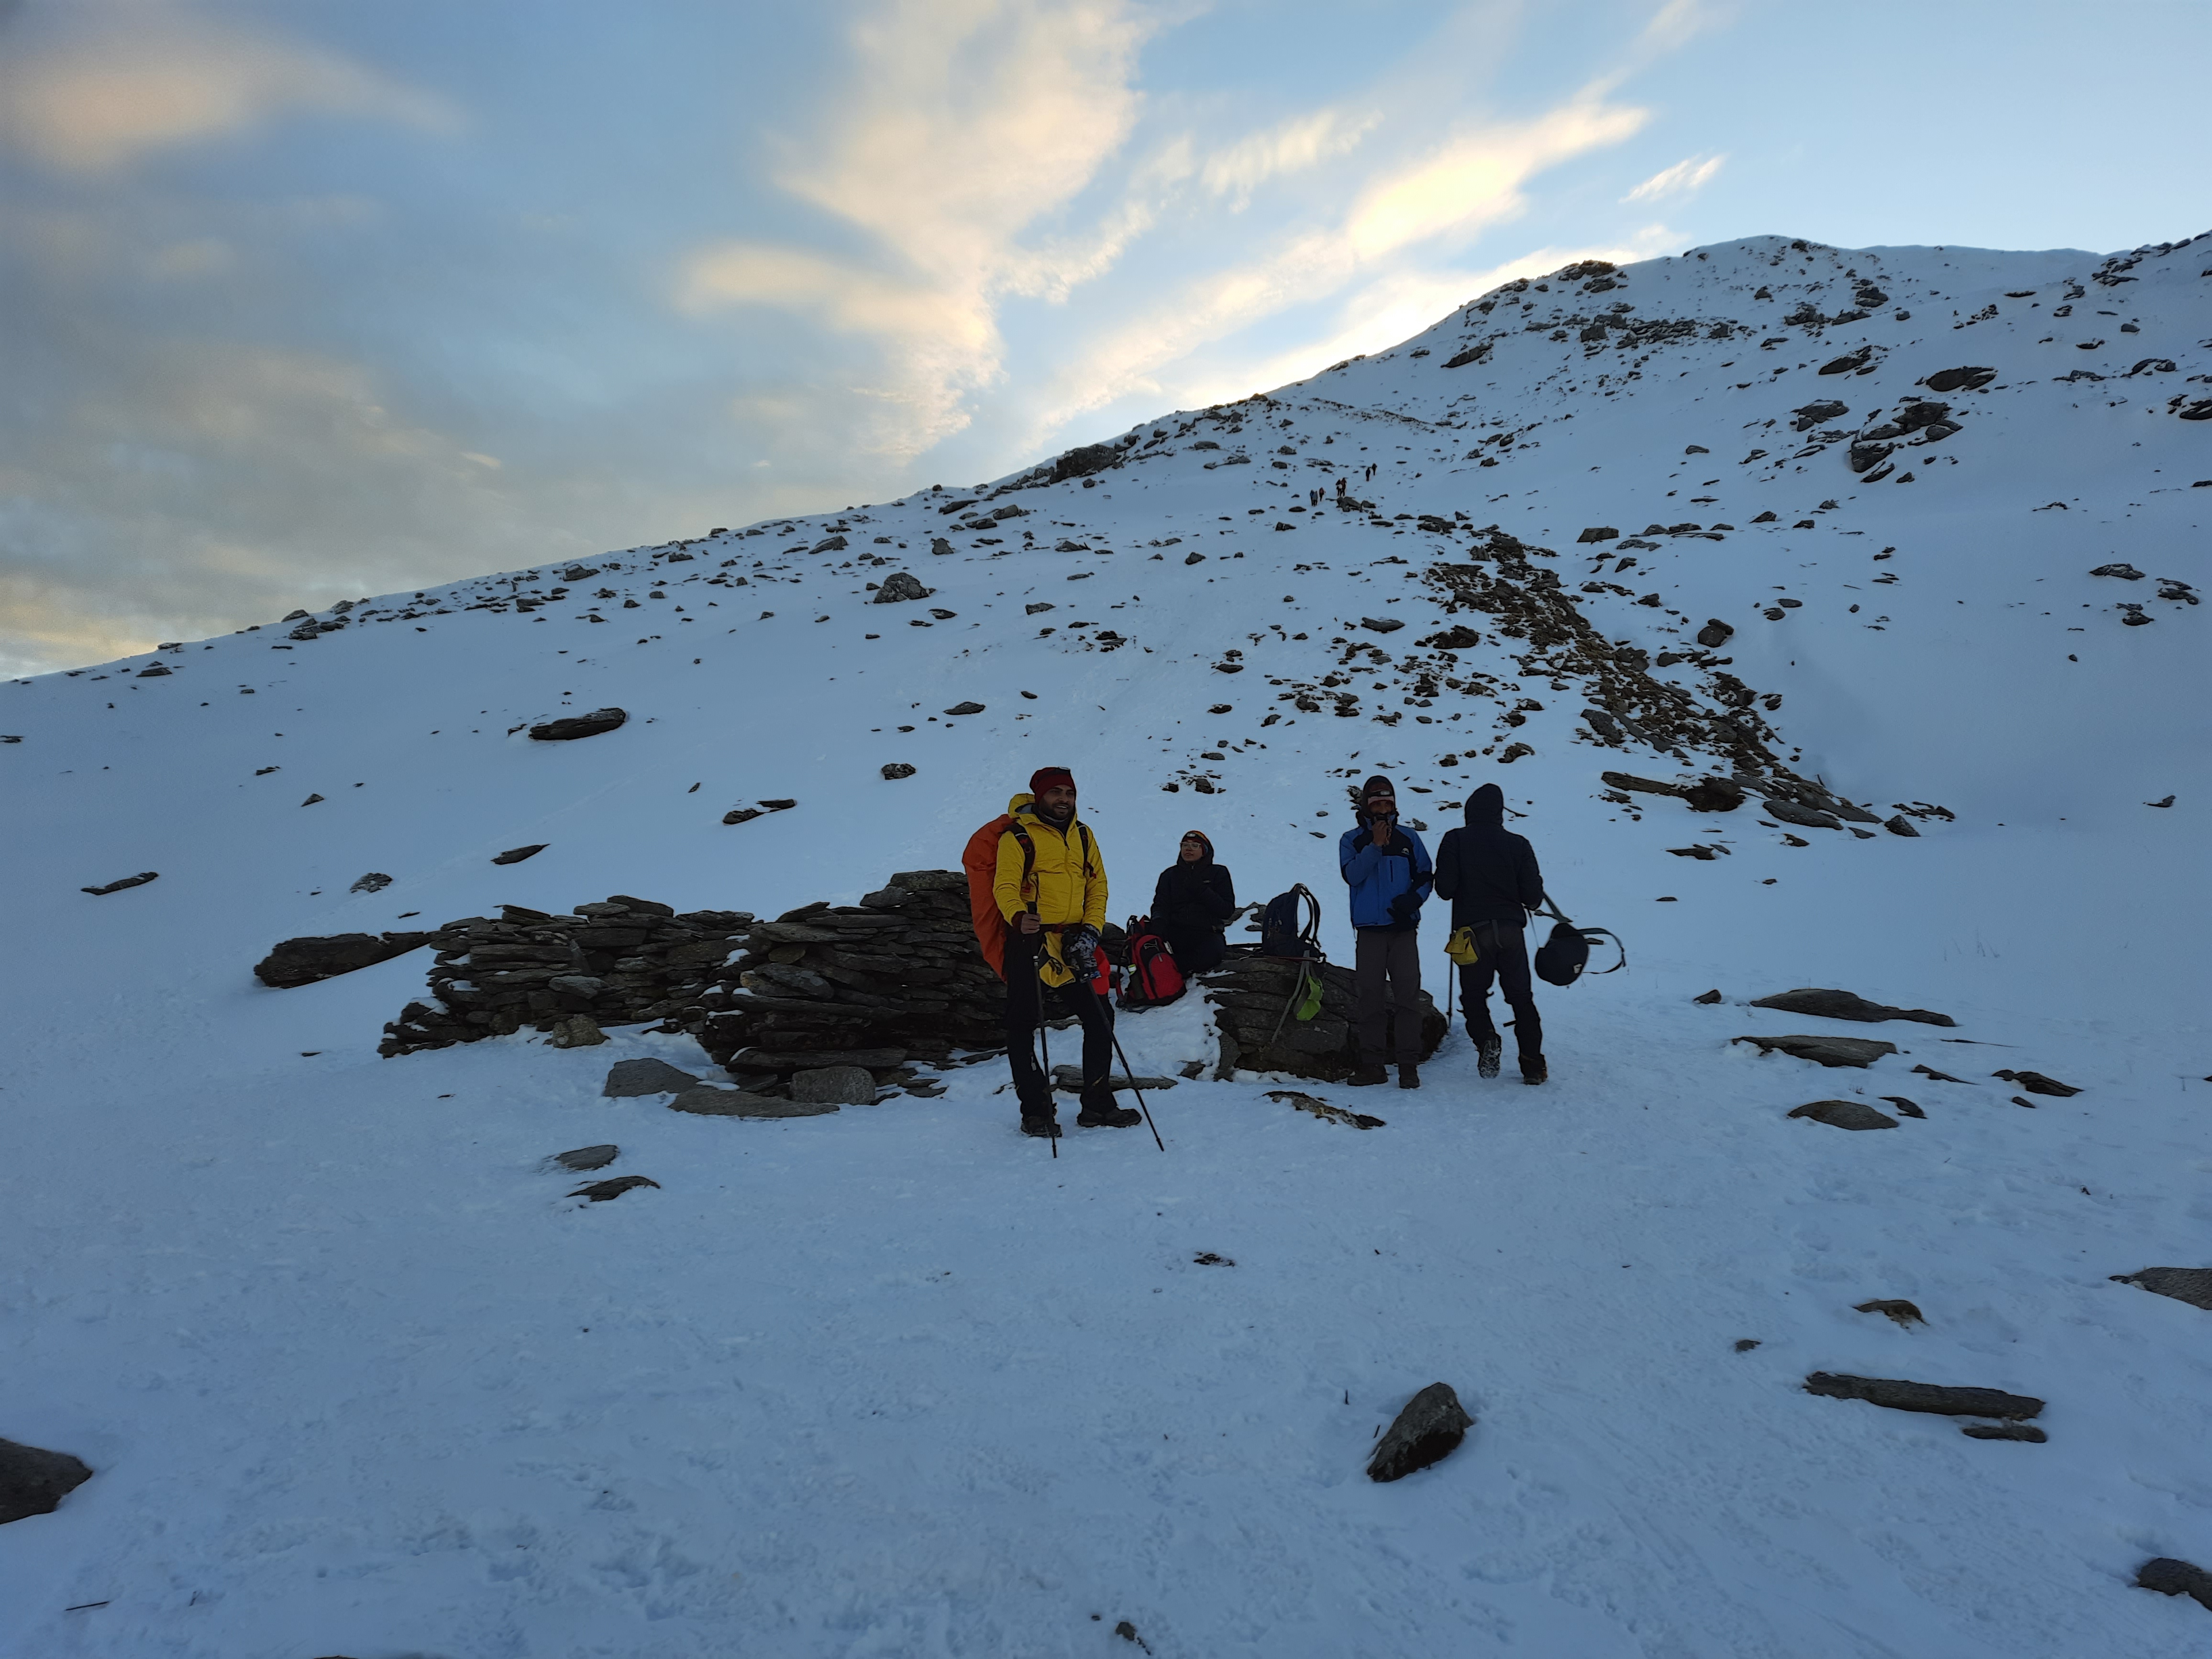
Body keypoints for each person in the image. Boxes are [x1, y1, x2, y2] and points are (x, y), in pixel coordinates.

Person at [993, 767, 1140, 1138]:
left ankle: (1097, 1104)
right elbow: (1005, 885)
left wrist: (1091, 929)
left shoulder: (1084, 836)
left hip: (1074, 943)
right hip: (1030, 941)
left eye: (1069, 793)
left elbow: (1098, 886)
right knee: (1023, 1025)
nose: (1063, 799)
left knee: (1100, 1017)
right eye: (1055, 792)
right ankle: (1036, 1111)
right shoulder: (1019, 837)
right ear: (1039, 796)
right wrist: (1017, 916)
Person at [1432, 782, 1547, 1084]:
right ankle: (1533, 1066)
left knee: (1473, 996)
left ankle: (1487, 1041)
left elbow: (1445, 890)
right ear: (1499, 813)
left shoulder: (1455, 839)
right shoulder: (1519, 844)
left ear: (1470, 811)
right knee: (1522, 998)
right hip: (1511, 931)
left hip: (1473, 933)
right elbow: (1533, 898)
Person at [1337, 774, 1432, 1088]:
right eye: (1376, 801)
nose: (1382, 806)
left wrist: (1413, 901)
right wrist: (1375, 846)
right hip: (1370, 931)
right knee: (1370, 999)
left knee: (1408, 998)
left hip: (1403, 930)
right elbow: (1353, 876)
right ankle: (1372, 1065)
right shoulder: (1351, 840)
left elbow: (1426, 876)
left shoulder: (1409, 839)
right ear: (1366, 805)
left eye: (1387, 801)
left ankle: (1408, 1066)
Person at [1150, 830, 1237, 974]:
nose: (1188, 849)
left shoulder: (1219, 873)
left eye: (1195, 846)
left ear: (1205, 850)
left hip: (1207, 934)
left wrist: (1202, 890)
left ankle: (1173, 968)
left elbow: (1226, 910)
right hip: (1175, 932)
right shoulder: (1169, 875)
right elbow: (1160, 904)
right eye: (1184, 845)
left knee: (1211, 954)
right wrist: (1158, 922)